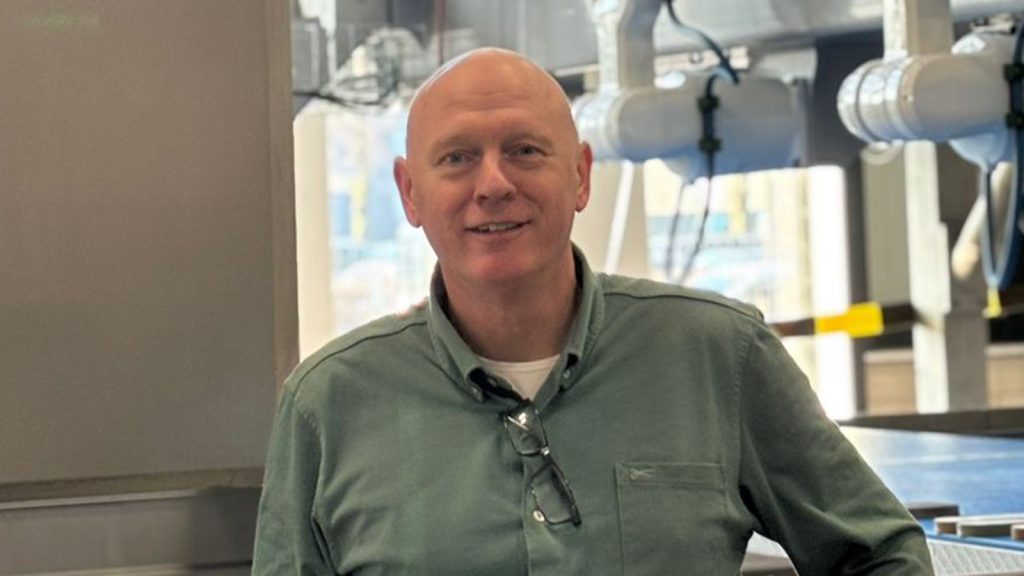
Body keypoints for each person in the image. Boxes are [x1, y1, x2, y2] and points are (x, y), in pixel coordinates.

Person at [252, 47, 934, 575]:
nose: (493, 184)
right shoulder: (328, 405)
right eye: (457, 158)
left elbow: (880, 554)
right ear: (410, 193)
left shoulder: (719, 357)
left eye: (524, 151)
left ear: (580, 174)